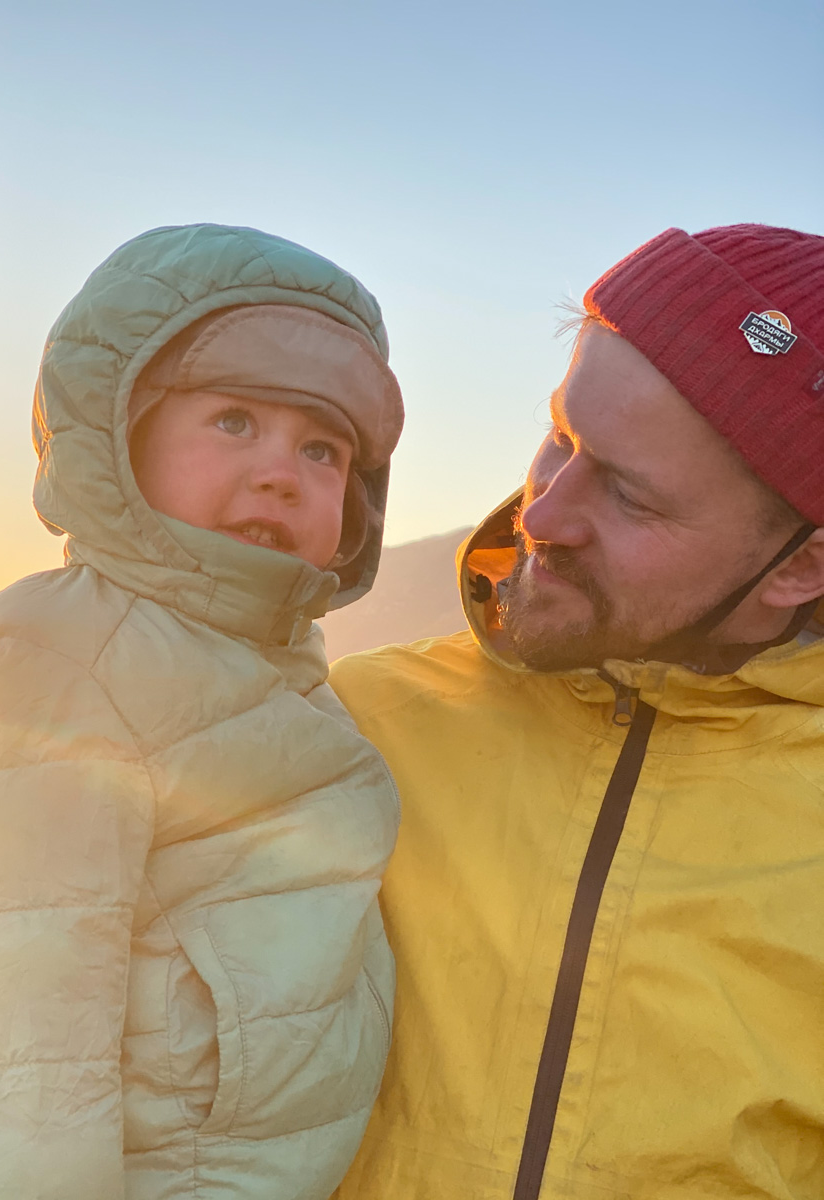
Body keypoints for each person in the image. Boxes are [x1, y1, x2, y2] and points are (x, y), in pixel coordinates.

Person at [329, 224, 824, 1199]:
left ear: (800, 568)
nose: (542, 513)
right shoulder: (347, 725)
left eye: (633, 497)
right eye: (563, 434)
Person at [0, 223, 405, 1200]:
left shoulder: (280, 668)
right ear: (120, 433)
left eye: (323, 448)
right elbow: (4, 1059)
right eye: (233, 421)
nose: (282, 470)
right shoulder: (55, 662)